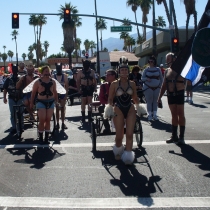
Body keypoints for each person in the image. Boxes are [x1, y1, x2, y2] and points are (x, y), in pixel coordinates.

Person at [104, 59, 144, 165]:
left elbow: (135, 97)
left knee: (130, 134)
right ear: (118, 71)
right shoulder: (114, 84)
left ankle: (128, 156)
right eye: (122, 70)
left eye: (126, 70)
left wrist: (139, 106)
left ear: (128, 71)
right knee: (119, 135)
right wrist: (109, 108)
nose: (124, 72)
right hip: (118, 109)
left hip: (130, 108)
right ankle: (118, 150)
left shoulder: (132, 84)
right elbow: (110, 98)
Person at [158, 52, 186, 145]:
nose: (167, 61)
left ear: (174, 59)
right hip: (170, 95)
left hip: (179, 93)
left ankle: (181, 137)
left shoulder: (181, 69)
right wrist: (159, 98)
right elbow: (164, 85)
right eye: (167, 59)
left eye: (169, 59)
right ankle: (174, 136)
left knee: (180, 114)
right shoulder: (166, 71)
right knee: (174, 115)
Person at [30, 66, 58, 144]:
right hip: (41, 102)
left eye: (47, 71)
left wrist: (56, 101)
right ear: (42, 73)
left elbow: (55, 92)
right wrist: (31, 103)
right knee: (42, 119)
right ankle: (41, 137)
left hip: (51, 101)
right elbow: (33, 93)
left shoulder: (53, 81)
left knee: (48, 119)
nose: (46, 73)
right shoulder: (37, 82)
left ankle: (46, 138)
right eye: (45, 71)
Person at [3, 64, 24, 134]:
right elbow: (5, 89)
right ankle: (14, 127)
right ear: (12, 70)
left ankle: (21, 127)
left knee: (21, 113)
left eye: (16, 69)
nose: (15, 71)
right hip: (11, 98)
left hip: (20, 98)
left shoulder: (21, 78)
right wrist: (4, 98)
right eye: (13, 69)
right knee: (12, 114)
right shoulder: (8, 79)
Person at [141, 56, 163, 121]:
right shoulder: (146, 70)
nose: (150, 63)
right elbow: (142, 78)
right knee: (149, 101)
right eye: (149, 61)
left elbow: (161, 78)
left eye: (152, 61)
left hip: (157, 88)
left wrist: (160, 86)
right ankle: (150, 115)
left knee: (155, 101)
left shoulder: (158, 69)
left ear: (154, 62)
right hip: (148, 87)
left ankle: (155, 114)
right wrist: (146, 79)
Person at [98, 69, 117, 134]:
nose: (106, 77)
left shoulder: (119, 84)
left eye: (108, 75)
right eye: (106, 75)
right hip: (107, 104)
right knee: (101, 108)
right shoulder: (103, 86)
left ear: (114, 76)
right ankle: (107, 127)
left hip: (118, 104)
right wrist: (108, 105)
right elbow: (101, 98)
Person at [53, 63, 69, 130]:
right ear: (56, 69)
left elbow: (67, 86)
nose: (59, 70)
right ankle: (57, 123)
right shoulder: (53, 77)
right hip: (56, 94)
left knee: (62, 109)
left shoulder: (64, 76)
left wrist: (66, 95)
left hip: (62, 94)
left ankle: (62, 123)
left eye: (60, 68)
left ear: (61, 69)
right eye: (57, 68)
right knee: (57, 110)